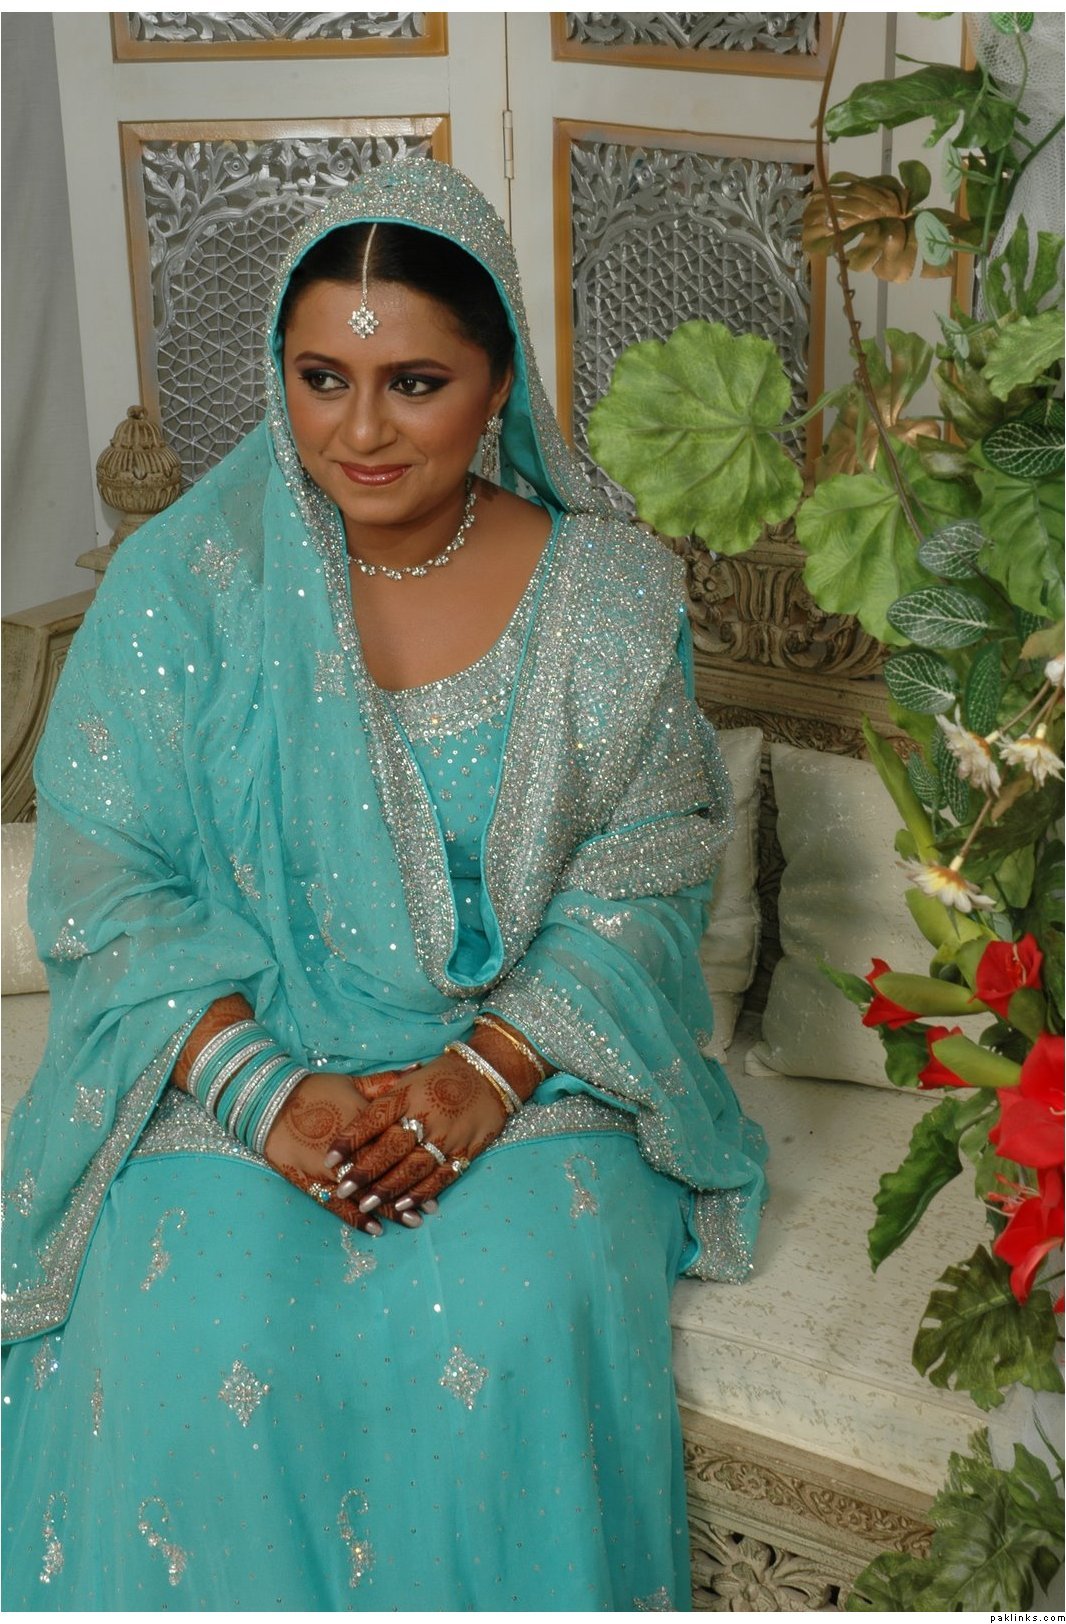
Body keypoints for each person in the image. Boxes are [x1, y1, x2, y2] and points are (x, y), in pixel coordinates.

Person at [1, 159, 767, 1611]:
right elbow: (106, 874)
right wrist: (265, 1093)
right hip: (229, 1066)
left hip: (536, 1075)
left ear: (497, 385)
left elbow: (649, 867)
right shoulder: (186, 586)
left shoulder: (605, 598)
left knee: (517, 1313)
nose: (358, 431)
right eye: (320, 379)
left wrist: (488, 1069)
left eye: (414, 383)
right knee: (192, 1326)